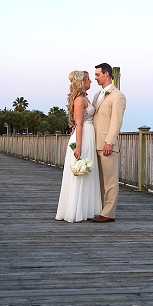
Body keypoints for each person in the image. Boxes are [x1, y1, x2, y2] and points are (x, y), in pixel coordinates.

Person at [55, 70, 102, 222]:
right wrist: (79, 147)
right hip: (83, 137)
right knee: (81, 170)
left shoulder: (85, 98)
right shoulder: (79, 100)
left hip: (89, 135)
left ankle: (86, 209)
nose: (91, 81)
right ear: (82, 82)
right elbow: (79, 124)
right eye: (88, 79)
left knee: (88, 172)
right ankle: (76, 210)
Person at [90, 62, 127, 223]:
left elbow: (116, 122)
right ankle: (100, 210)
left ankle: (108, 213)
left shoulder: (118, 95)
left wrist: (109, 142)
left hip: (106, 144)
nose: (95, 78)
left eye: (97, 74)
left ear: (106, 74)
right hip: (94, 142)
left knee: (110, 181)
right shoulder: (97, 96)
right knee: (99, 181)